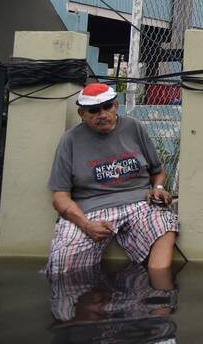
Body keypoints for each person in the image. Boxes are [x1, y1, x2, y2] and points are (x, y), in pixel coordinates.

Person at [45, 83, 179, 275]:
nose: (102, 114)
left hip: (138, 204)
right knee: (62, 263)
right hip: (90, 211)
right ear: (82, 113)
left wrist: (158, 187)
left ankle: (159, 291)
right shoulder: (70, 140)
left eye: (107, 107)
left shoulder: (134, 127)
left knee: (165, 225)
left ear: (116, 105)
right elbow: (60, 197)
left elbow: (158, 172)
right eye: (94, 110)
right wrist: (86, 225)